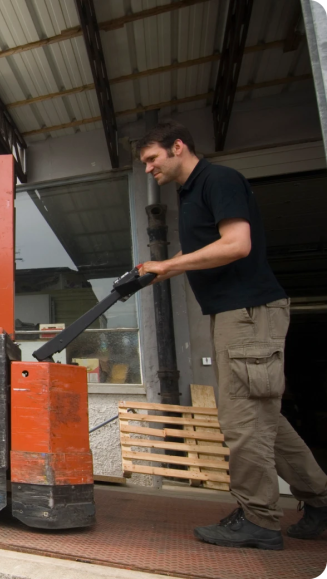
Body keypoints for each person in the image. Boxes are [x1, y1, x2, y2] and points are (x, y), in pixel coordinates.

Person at [136, 120, 327, 550]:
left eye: (152, 159)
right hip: (234, 314)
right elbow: (205, 247)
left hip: (248, 313)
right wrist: (157, 269)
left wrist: (170, 266)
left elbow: (236, 243)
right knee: (266, 421)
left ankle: (259, 520)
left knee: (242, 423)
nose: (149, 169)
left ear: (178, 146)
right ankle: (320, 498)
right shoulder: (193, 192)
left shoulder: (218, 180)